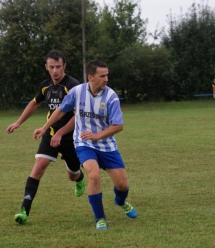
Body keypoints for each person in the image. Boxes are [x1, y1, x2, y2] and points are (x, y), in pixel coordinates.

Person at [33, 59, 137, 230]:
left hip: (107, 145)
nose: (106, 79)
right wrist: (45, 127)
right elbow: (60, 110)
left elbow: (118, 126)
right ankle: (100, 218)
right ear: (91, 77)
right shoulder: (77, 92)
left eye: (107, 75)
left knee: (122, 185)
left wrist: (97, 136)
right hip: (84, 143)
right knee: (93, 175)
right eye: (102, 76)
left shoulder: (111, 97)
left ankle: (121, 201)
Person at [6, 50, 85, 225]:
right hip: (49, 134)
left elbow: (78, 115)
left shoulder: (73, 86)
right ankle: (24, 211)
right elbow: (35, 102)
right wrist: (19, 122)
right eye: (51, 67)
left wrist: (60, 132)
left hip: (70, 137)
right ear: (46, 67)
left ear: (64, 66)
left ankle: (79, 178)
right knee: (38, 166)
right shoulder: (45, 85)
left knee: (72, 174)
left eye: (58, 67)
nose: (55, 71)